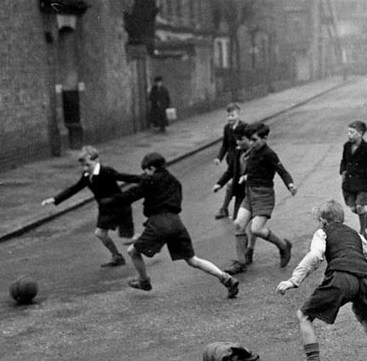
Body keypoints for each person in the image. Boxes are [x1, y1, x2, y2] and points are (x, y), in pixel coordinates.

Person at [278, 199, 367, 361]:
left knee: (304, 316)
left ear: (322, 221)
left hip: (341, 277)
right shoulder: (358, 236)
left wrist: (294, 280)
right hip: (365, 278)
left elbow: (315, 255)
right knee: (366, 316)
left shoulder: (322, 233)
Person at [108, 152, 239, 297]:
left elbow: (130, 195)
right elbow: (140, 180)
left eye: (146, 170)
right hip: (176, 222)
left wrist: (109, 201)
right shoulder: (174, 181)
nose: (145, 173)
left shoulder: (150, 181)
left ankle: (144, 281)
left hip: (158, 222)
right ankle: (226, 278)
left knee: (133, 251)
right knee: (192, 259)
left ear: (151, 168)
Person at [41, 145, 140, 268]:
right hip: (105, 209)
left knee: (126, 240)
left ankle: (146, 239)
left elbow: (125, 177)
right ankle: (117, 257)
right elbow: (74, 188)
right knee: (100, 233)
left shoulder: (106, 171)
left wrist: (148, 180)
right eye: (83, 165)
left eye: (88, 165)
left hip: (120, 207)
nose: (85, 168)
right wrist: (55, 199)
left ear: (96, 160)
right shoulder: (87, 175)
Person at [224, 122, 296, 275]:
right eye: (250, 139)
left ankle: (283, 246)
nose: (251, 143)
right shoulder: (252, 151)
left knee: (256, 229)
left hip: (264, 195)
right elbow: (253, 168)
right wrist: (246, 176)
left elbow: (282, 171)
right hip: (249, 193)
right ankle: (241, 262)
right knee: (238, 224)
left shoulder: (269, 154)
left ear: (265, 138)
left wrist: (290, 185)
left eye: (255, 140)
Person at [213, 123, 256, 268]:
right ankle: (242, 259)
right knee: (239, 224)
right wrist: (220, 183)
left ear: (249, 139)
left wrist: (248, 176)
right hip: (240, 194)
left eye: (241, 140)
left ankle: (279, 246)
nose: (238, 144)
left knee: (255, 227)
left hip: (255, 194)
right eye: (236, 141)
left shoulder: (256, 153)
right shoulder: (237, 153)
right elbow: (231, 170)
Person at [339, 120, 367, 239]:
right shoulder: (346, 146)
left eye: (352, 132)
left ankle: (363, 232)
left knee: (359, 207)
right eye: (348, 132)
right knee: (354, 208)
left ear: (360, 133)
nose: (349, 135)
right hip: (349, 183)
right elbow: (344, 161)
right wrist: (342, 171)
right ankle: (366, 215)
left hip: (363, 182)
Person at [213, 103, 245, 219]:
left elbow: (248, 144)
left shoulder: (244, 127)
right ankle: (225, 209)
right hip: (231, 160)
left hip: (241, 161)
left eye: (233, 115)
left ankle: (225, 209)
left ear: (238, 114)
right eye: (228, 115)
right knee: (233, 184)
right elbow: (225, 145)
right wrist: (219, 157)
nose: (230, 118)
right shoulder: (227, 128)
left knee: (233, 185)